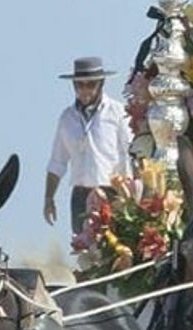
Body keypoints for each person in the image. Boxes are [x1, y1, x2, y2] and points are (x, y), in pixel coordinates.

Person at [43, 56, 133, 235]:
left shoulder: (118, 113)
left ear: (101, 83)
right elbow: (57, 162)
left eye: (90, 85)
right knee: (86, 253)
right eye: (79, 85)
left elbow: (130, 153)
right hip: (81, 195)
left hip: (112, 193)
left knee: (117, 249)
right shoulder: (67, 118)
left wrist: (130, 194)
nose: (84, 90)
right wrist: (49, 197)